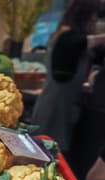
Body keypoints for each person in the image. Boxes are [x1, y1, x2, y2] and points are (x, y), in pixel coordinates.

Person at [32, 0, 105, 153]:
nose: (94, 21)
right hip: (54, 105)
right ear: (83, 16)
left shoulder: (77, 39)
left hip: (66, 106)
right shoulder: (67, 36)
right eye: (92, 17)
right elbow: (80, 42)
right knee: (46, 152)